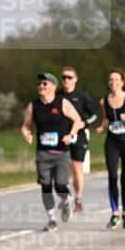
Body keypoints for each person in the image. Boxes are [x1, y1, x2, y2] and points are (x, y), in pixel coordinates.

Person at [21, 72, 84, 231]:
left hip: (62, 152)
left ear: (53, 87)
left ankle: (66, 200)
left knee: (60, 185)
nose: (41, 86)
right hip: (43, 153)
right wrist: (26, 134)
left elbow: (78, 120)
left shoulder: (62, 103)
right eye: (39, 84)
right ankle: (51, 220)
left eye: (45, 83)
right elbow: (26, 125)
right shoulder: (33, 106)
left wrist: (71, 135)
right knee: (45, 186)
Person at [97, 69, 125, 229]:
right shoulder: (104, 100)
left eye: (116, 80)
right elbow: (106, 118)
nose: (113, 83)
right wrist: (101, 127)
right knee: (111, 176)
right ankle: (115, 213)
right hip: (112, 142)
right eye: (111, 80)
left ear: (122, 82)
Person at [59, 66, 101, 212]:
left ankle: (78, 198)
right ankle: (65, 195)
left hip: (79, 135)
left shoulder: (81, 96)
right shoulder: (58, 96)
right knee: (61, 167)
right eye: (64, 77)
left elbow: (95, 114)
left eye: (69, 77)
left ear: (75, 79)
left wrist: (85, 123)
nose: (66, 80)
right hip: (62, 136)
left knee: (77, 167)